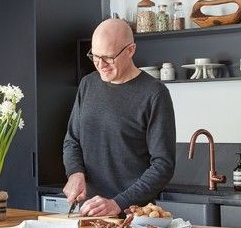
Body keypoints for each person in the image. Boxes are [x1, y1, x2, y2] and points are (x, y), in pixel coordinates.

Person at [63, 18, 176, 217]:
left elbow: (163, 165)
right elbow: (72, 141)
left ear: (130, 50)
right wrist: (75, 173)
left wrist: (117, 203)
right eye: (95, 57)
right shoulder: (88, 85)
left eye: (108, 58)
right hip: (89, 214)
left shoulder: (154, 93)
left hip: (134, 216)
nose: (100, 65)